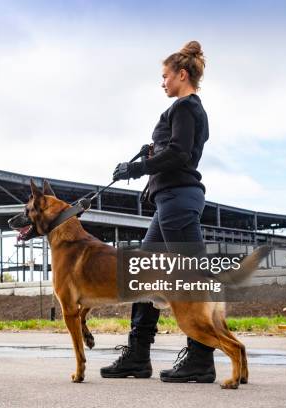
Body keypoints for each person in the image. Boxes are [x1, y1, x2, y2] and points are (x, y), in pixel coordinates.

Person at [101, 40, 215, 383]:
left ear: (182, 75)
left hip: (178, 202)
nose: (162, 82)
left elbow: (180, 154)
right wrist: (152, 150)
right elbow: (178, 149)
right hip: (170, 202)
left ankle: (200, 358)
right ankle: (137, 356)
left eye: (165, 76)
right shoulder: (187, 110)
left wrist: (137, 168)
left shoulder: (184, 107)